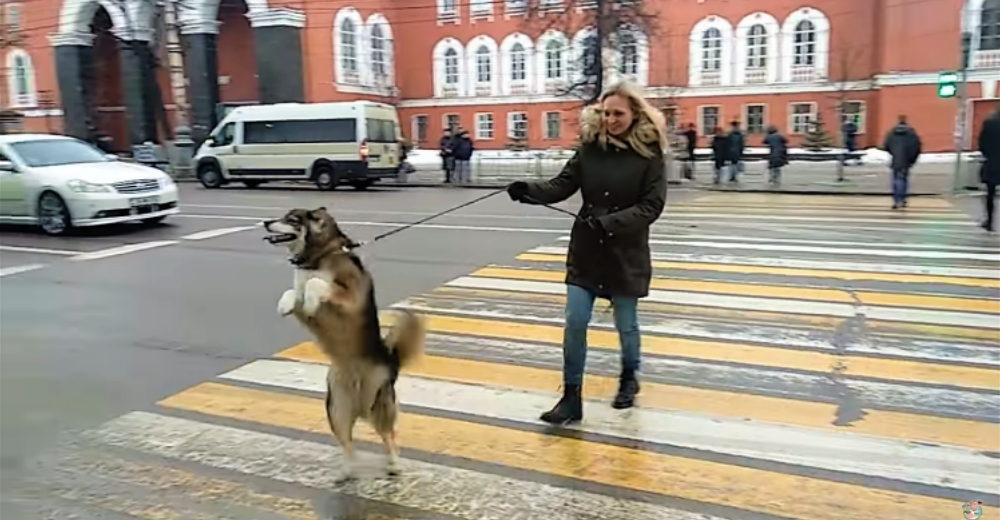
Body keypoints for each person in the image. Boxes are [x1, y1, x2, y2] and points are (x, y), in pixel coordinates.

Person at [505, 81, 668, 425]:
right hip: (587, 251)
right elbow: (561, 185)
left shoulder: (650, 155)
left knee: (626, 324)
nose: (611, 119)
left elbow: (652, 206)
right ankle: (571, 397)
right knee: (575, 321)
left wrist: (609, 222)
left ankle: (628, 377)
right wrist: (529, 190)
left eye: (618, 113)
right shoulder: (589, 149)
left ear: (635, 114)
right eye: (606, 113)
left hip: (626, 253)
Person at [881, 115, 922, 209]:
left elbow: (886, 145)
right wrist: (911, 159)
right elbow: (916, 148)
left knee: (895, 180)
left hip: (896, 160)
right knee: (903, 179)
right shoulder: (911, 134)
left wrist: (894, 153)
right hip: (906, 161)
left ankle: (896, 199)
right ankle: (902, 199)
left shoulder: (892, 133)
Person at [978, 108, 1000, 232]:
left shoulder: (990, 123)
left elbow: (982, 143)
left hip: (993, 161)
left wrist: (988, 155)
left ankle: (990, 221)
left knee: (990, 193)